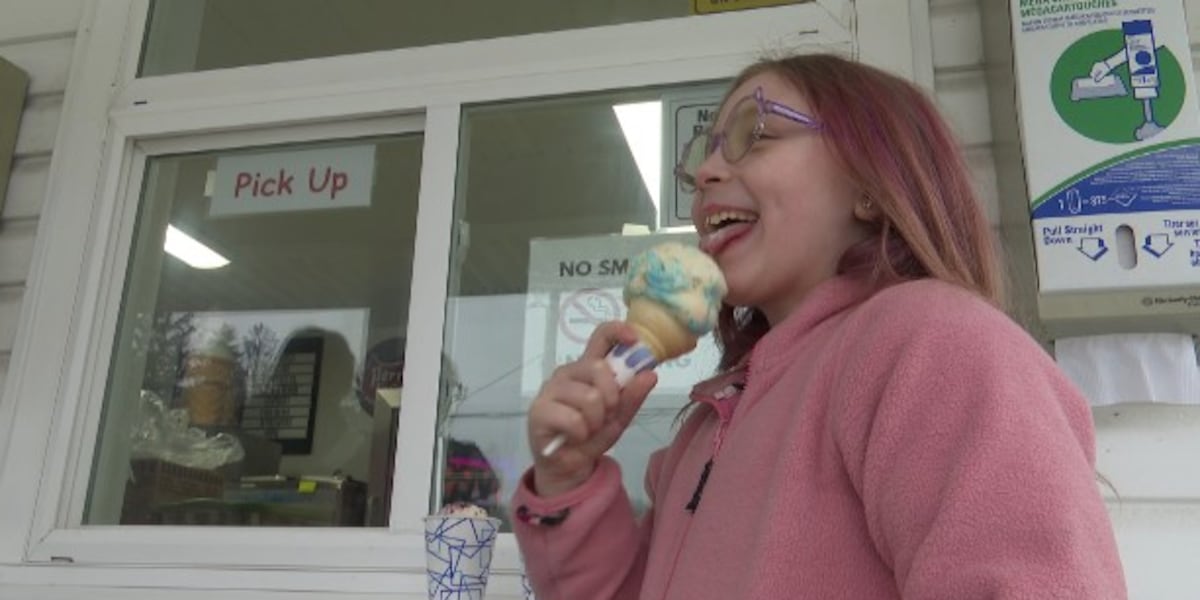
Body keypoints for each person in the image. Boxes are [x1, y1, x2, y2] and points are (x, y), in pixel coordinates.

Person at [511, 53, 1127, 599]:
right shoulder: (708, 423)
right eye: (705, 154)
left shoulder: (932, 342)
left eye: (756, 134)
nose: (704, 175)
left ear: (868, 184)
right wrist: (571, 478)